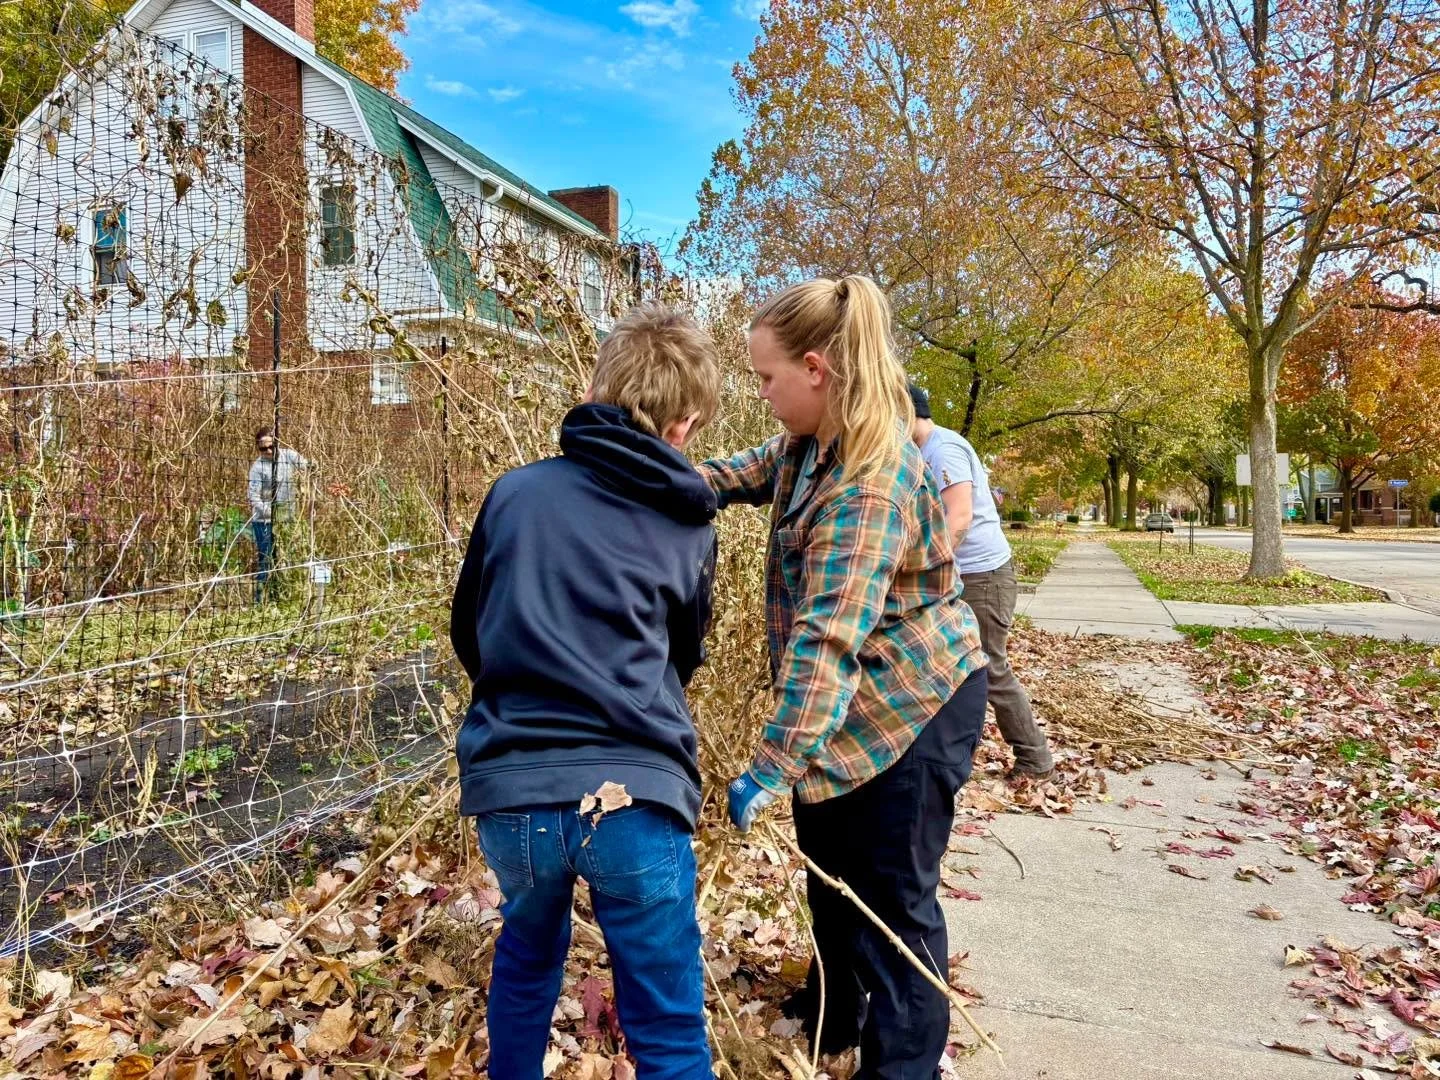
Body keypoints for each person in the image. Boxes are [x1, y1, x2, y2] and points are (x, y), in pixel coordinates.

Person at [703, 275, 989, 1078]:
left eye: (766, 378)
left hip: (911, 703)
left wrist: (773, 763)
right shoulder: (808, 443)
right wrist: (656, 478)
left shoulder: (870, 483)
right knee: (831, 872)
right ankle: (835, 1014)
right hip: (849, 705)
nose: (760, 393)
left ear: (818, 369)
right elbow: (739, 473)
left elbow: (829, 638)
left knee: (892, 897)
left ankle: (902, 1065)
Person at [450, 303, 721, 1080]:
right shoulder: (688, 524)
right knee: (667, 1018)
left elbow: (472, 629)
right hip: (635, 792)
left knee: (527, 956)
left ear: (597, 387)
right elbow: (683, 655)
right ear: (684, 426)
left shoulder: (515, 494)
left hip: (514, 787)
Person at [908, 384, 1055, 780]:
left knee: (989, 669)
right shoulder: (923, 451)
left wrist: (923, 568)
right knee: (947, 666)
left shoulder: (943, 449)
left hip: (983, 577)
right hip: (965, 575)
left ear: (906, 413)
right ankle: (946, 757)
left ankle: (1035, 759)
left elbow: (958, 519)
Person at [246, 427, 308, 603]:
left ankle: (282, 597)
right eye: (263, 449)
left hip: (288, 519)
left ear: (277, 444)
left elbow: (306, 465)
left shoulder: (288, 456)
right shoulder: (257, 468)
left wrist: (311, 468)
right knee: (266, 559)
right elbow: (253, 497)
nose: (268, 451)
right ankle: (260, 601)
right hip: (264, 521)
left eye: (271, 446)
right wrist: (272, 513)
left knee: (287, 559)